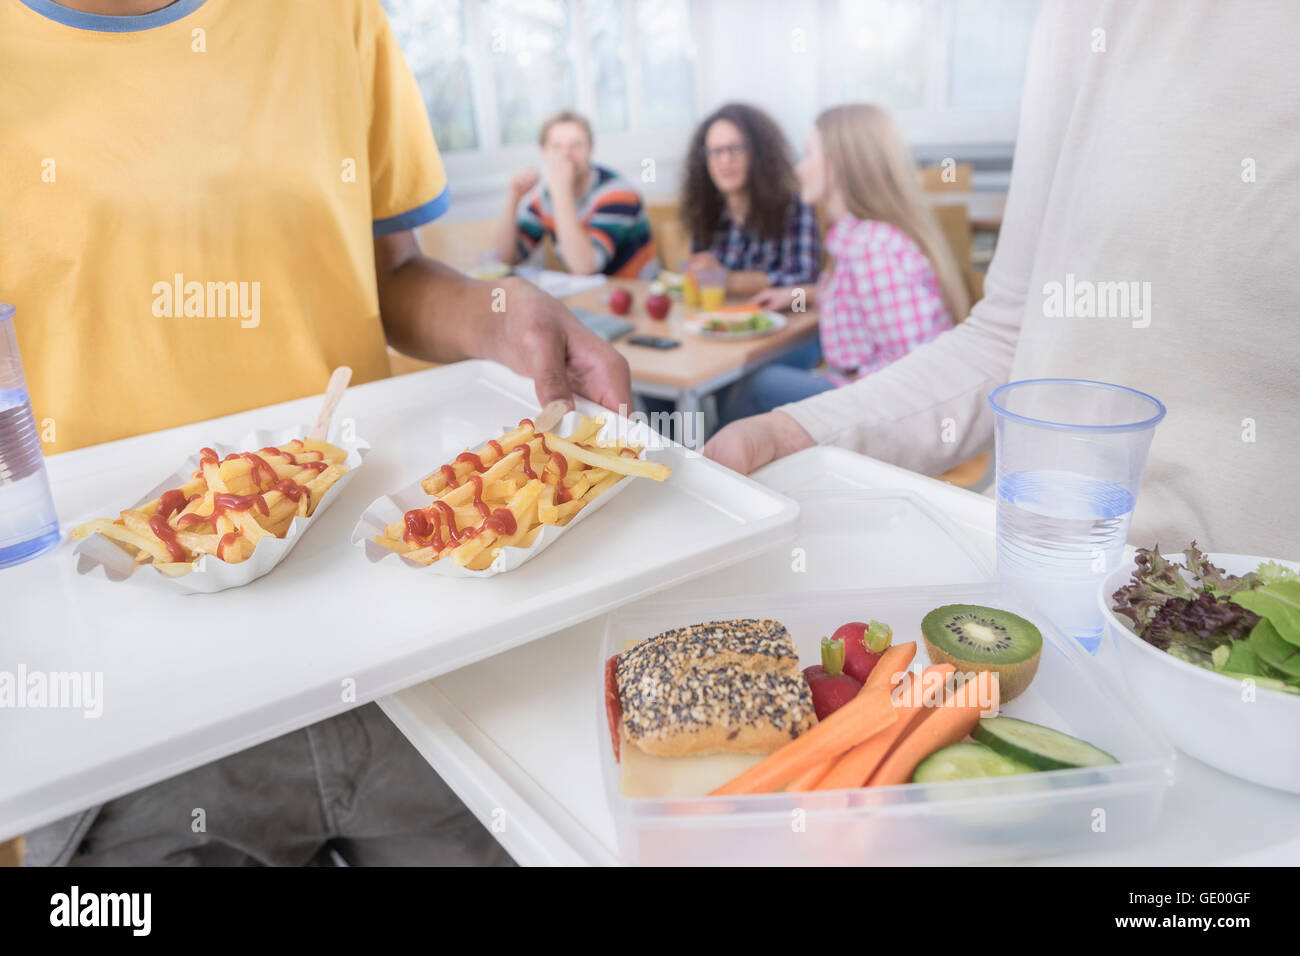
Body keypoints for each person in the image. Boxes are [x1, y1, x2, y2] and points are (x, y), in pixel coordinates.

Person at [2, 0, 630, 865]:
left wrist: (500, 315)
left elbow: (393, 273)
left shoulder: (336, 15)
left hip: (403, 639)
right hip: (134, 718)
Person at [704, 0, 1300, 559]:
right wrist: (796, 431)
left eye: (809, 154)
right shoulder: (1074, 24)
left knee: (754, 386)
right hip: (1022, 557)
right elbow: (1006, 336)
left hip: (1234, 614)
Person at [718, 104, 968, 423]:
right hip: (863, 386)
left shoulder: (872, 249)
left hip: (885, 409)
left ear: (839, 165)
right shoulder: (861, 239)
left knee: (755, 386)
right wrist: (802, 294)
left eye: (808, 155)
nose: (799, 169)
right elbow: (867, 300)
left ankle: (712, 468)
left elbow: (912, 374)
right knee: (760, 378)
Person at [494, 109, 658, 279]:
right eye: (556, 146)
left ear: (591, 149)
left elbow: (585, 267)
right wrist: (513, 198)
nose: (566, 155)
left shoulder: (619, 194)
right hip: (590, 297)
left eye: (576, 145)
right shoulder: (546, 198)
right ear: (544, 152)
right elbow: (506, 259)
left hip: (636, 296)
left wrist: (561, 192)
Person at [681, 102, 821, 299]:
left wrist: (730, 281)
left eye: (736, 148)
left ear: (759, 152)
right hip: (720, 324)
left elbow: (804, 281)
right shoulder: (705, 208)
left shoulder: (794, 205)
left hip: (783, 325)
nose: (725, 160)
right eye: (715, 151)